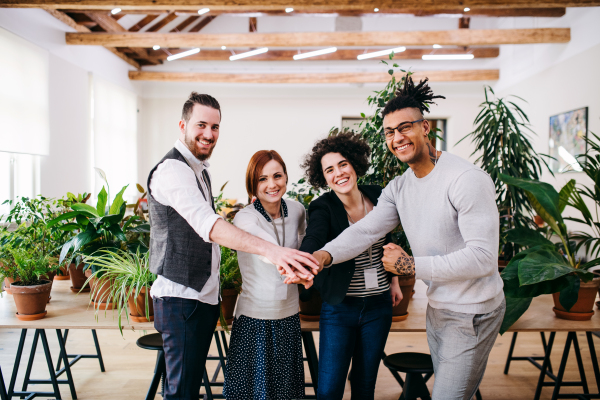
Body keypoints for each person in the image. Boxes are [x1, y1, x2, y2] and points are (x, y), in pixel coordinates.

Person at [288, 76, 506, 400]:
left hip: (473, 311)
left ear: (425, 127)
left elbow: (483, 258)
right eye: (390, 132)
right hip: (439, 307)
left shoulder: (465, 179)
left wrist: (409, 266)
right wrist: (323, 256)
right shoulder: (399, 188)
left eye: (405, 127)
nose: (397, 137)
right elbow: (364, 231)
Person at [147, 92, 318, 400]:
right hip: (181, 297)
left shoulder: (198, 171)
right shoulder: (172, 170)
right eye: (201, 125)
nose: (208, 134)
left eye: (215, 127)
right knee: (181, 392)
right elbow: (208, 225)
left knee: (188, 387)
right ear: (182, 124)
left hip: (202, 298)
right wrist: (274, 251)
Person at [297, 132, 402, 400]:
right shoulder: (323, 206)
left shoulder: (378, 196)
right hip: (340, 308)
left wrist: (394, 280)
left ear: (354, 163)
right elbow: (315, 238)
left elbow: (389, 239)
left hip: (379, 306)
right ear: (323, 177)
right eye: (329, 170)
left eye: (342, 164)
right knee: (330, 388)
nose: (338, 173)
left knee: (365, 384)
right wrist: (307, 260)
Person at [223, 150, 306, 400]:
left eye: (277, 176)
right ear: (252, 183)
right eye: (262, 179)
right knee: (250, 393)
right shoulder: (245, 217)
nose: (272, 184)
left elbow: (306, 244)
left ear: (286, 177)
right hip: (253, 317)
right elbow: (264, 245)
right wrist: (288, 261)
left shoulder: (298, 210)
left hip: (289, 314)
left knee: (285, 392)